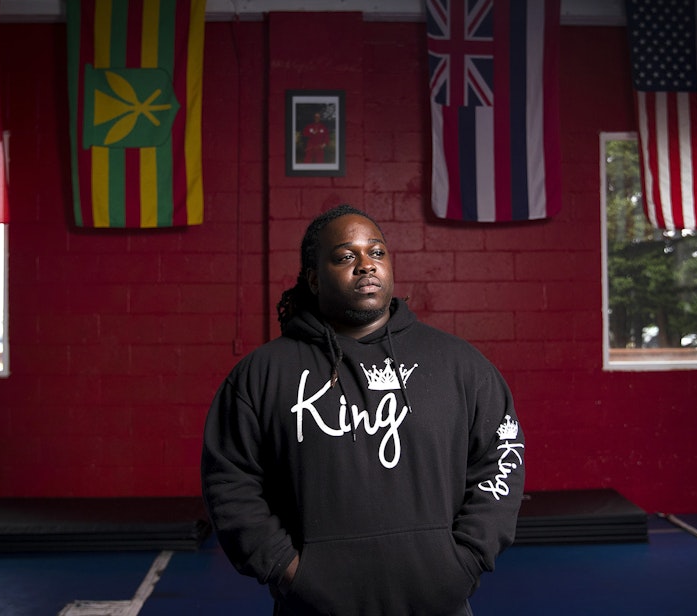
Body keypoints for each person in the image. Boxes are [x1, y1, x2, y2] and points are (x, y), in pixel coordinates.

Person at [201, 204, 525, 615]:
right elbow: (229, 482)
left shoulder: (460, 365)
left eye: (376, 252)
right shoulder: (261, 375)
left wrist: (465, 560)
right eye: (345, 256)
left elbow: (502, 457)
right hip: (314, 607)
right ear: (314, 278)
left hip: (439, 602)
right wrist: (288, 569)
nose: (366, 265)